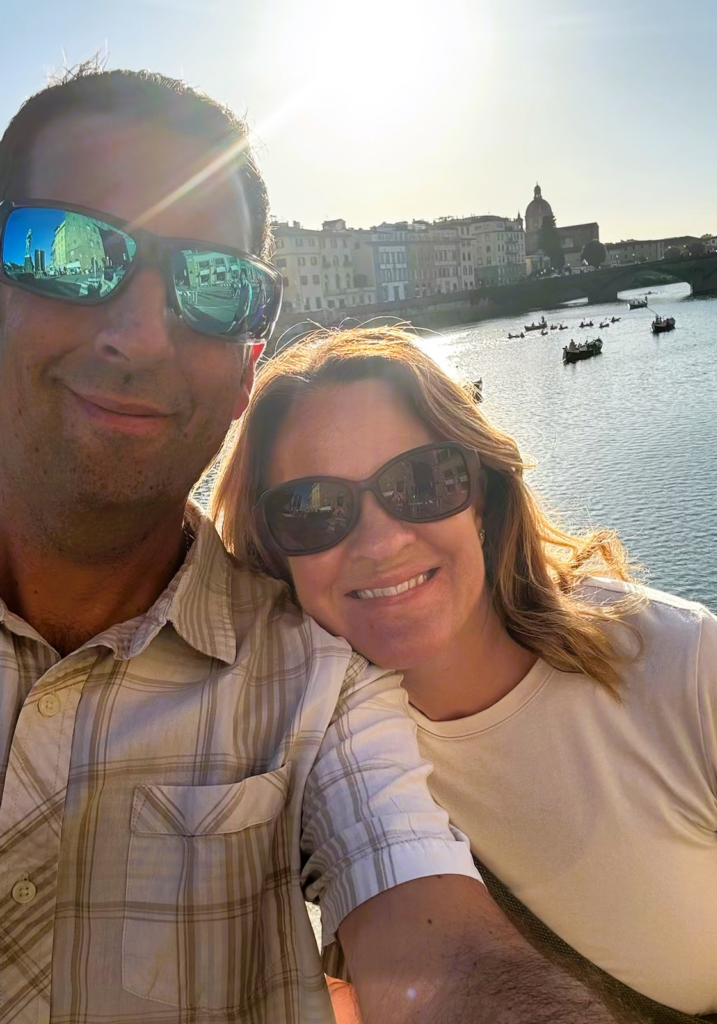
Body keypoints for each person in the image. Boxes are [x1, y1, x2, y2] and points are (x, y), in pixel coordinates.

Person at [0, 65, 620, 1024]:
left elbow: (439, 941)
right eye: (68, 251)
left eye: (213, 286)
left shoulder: (320, 677)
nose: (141, 334)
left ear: (250, 359)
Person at [214, 325, 717, 1020]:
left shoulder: (681, 666)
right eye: (314, 510)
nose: (381, 541)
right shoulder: (307, 758)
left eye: (420, 482)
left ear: (482, 494)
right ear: (274, 550)